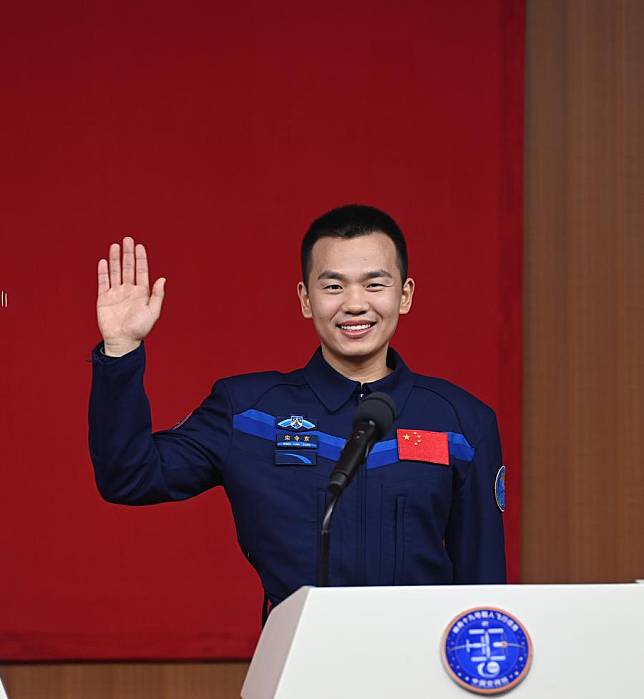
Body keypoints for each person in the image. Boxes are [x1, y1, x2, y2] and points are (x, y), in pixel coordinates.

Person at [88, 204, 506, 623]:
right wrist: (121, 349)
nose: (355, 304)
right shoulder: (249, 413)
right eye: (333, 287)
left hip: (420, 666)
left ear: (405, 294)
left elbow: (484, 584)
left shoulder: (463, 423)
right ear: (306, 299)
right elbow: (129, 477)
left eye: (374, 284)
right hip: (297, 661)